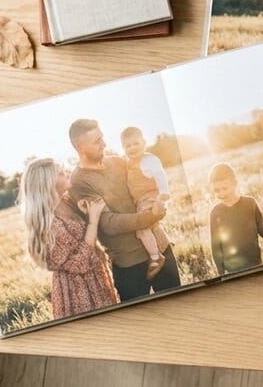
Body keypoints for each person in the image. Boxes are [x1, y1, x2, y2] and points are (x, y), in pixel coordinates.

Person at [67, 119, 181, 301]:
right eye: (97, 141)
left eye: (102, 138)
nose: (103, 143)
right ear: (79, 147)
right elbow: (108, 223)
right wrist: (150, 217)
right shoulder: (79, 183)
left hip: (161, 248)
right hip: (129, 265)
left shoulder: (119, 162)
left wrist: (159, 199)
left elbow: (150, 182)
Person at [18, 158, 118, 319]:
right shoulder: (50, 224)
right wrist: (93, 219)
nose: (67, 174)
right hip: (77, 289)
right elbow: (79, 263)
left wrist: (84, 212)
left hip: (95, 277)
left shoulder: (66, 202)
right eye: (61, 173)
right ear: (48, 183)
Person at [119, 127, 169, 279]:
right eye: (128, 146)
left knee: (141, 229)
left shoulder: (149, 160)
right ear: (123, 148)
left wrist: (162, 195)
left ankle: (155, 257)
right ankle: (160, 245)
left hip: (151, 198)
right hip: (140, 201)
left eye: (136, 143)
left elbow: (161, 176)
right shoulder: (128, 163)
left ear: (144, 143)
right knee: (149, 227)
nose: (132, 148)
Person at [207, 163, 263, 275]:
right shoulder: (215, 213)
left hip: (255, 264)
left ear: (235, 184)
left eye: (225, 188)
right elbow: (216, 245)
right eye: (217, 190)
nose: (221, 193)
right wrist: (221, 272)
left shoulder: (250, 204)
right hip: (233, 271)